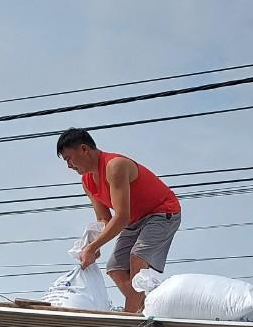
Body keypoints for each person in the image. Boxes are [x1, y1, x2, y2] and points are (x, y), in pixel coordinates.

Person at [56, 128, 181, 312]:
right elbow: (104, 220)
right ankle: (147, 308)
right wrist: (92, 244)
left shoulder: (115, 166)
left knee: (137, 259)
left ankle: (129, 321)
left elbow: (121, 217)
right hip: (134, 220)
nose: (69, 166)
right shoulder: (87, 182)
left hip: (162, 213)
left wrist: (93, 248)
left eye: (68, 159)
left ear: (84, 149)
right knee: (115, 269)